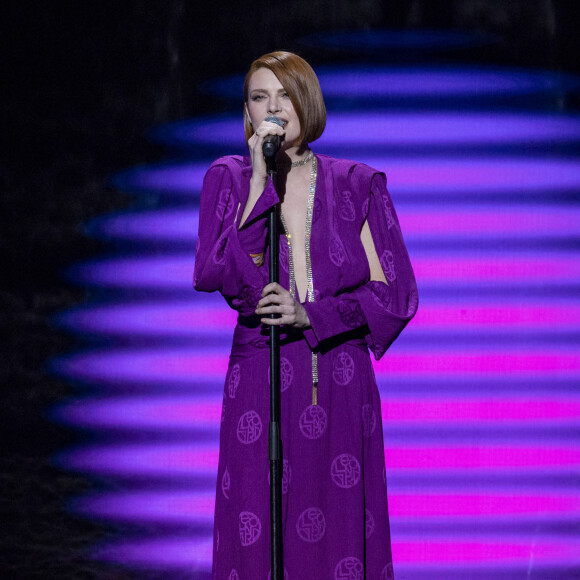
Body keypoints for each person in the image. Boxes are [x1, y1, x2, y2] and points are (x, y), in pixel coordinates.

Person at [193, 51, 418, 580]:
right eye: (259, 97)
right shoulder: (226, 179)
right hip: (259, 377)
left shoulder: (358, 184)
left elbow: (398, 293)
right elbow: (214, 273)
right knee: (258, 522)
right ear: (247, 113)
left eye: (285, 95)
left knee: (339, 532)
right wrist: (256, 186)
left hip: (339, 375)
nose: (274, 108)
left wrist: (312, 314)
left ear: (307, 102)